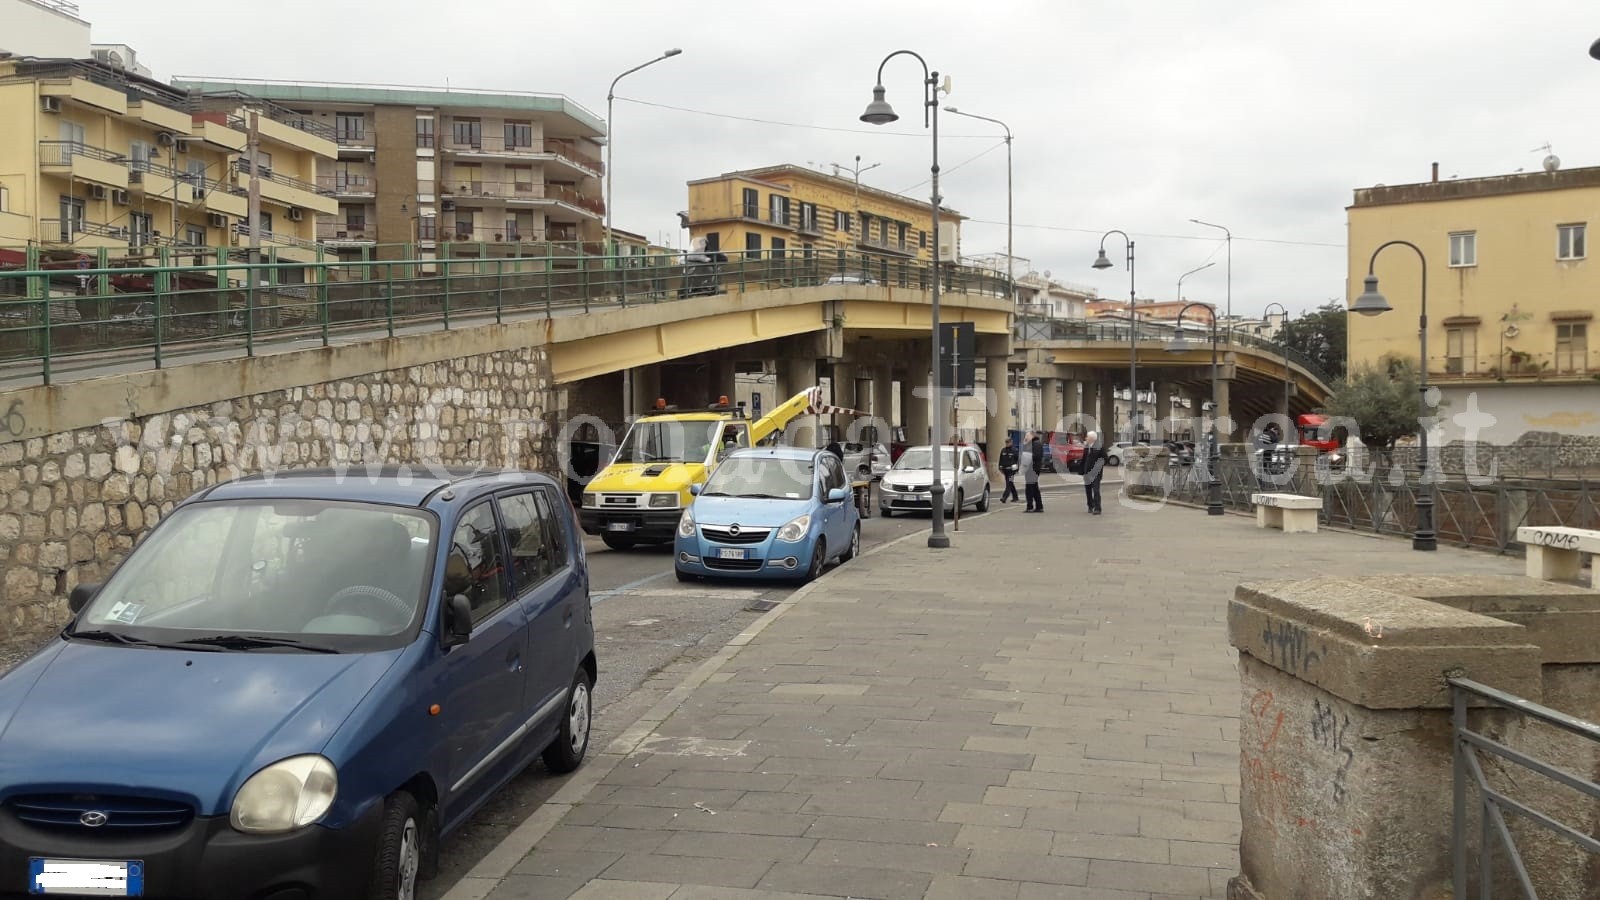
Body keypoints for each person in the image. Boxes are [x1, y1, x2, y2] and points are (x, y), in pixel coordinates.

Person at [1081, 430, 1109, 515]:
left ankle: (1097, 508)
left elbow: (1105, 459)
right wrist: (1082, 470)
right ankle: (1090, 505)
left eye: (1087, 437)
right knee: (1088, 490)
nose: (1086, 438)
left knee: (1096, 490)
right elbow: (1084, 459)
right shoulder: (1086, 447)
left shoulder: (1099, 447)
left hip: (1096, 473)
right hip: (1087, 472)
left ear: (1092, 438)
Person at [1023, 432, 1045, 512]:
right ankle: (1039, 506)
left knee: (1029, 488)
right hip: (1031, 468)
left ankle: (1030, 506)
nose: (1025, 437)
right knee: (1035, 488)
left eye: (1027, 436)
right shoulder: (1032, 444)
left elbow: (1036, 456)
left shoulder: (1036, 444)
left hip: (1033, 469)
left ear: (1032, 436)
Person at [997, 436, 1020, 504]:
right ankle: (1015, 497)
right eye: (1006, 442)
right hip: (1005, 470)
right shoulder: (1003, 450)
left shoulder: (1014, 450)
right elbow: (1000, 460)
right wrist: (1000, 467)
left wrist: (1016, 470)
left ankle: (1004, 497)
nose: (1007, 443)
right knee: (1011, 483)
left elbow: (1017, 461)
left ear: (1011, 442)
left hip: (1011, 471)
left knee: (1009, 484)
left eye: (1008, 442)